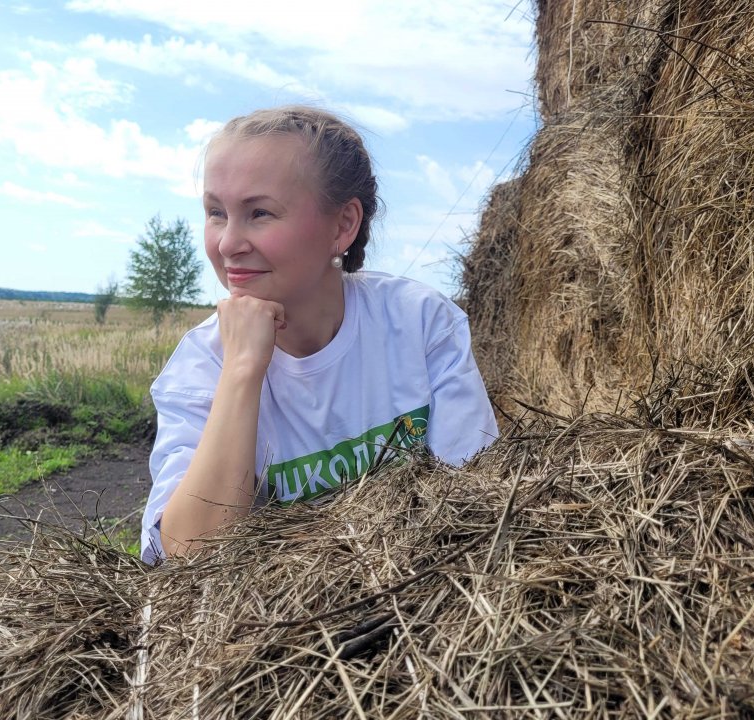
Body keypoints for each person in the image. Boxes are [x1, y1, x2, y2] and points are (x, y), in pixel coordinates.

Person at [140, 105, 497, 563]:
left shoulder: (419, 323)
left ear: (343, 225)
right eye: (216, 213)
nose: (227, 243)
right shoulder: (199, 368)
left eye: (260, 212)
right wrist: (242, 370)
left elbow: (477, 507)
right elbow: (189, 553)